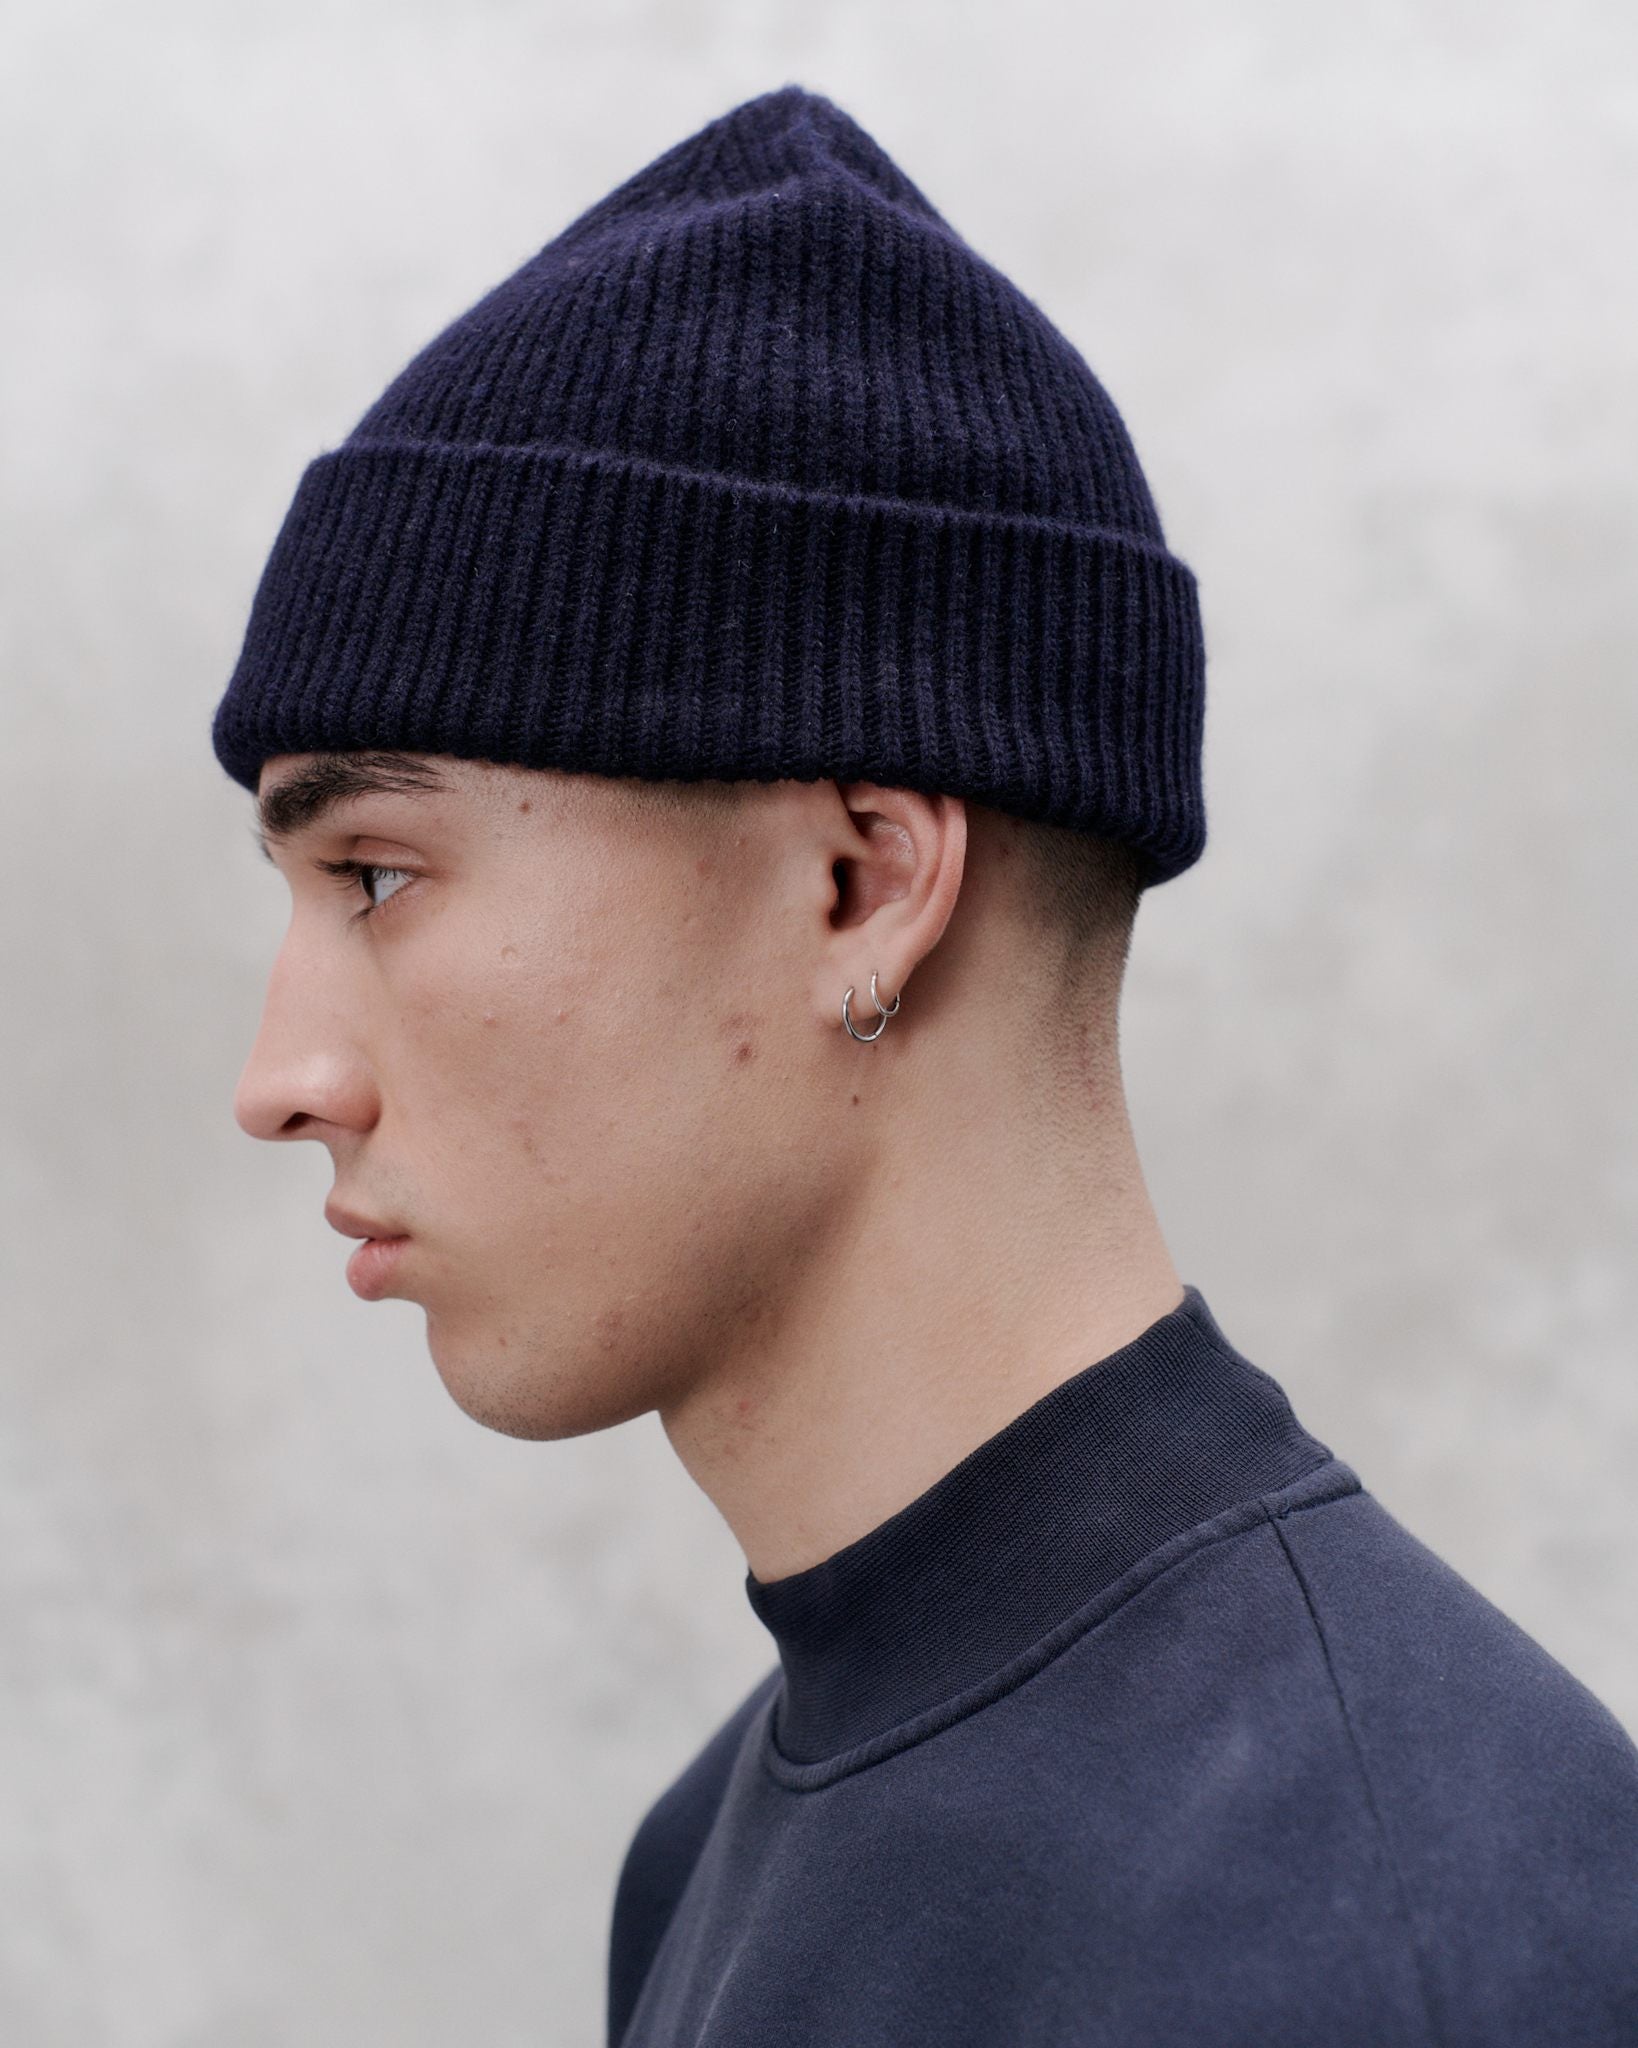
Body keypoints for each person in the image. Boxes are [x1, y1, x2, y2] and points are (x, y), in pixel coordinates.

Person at [213, 82, 1638, 2048]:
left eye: (376, 874)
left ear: (861, 882)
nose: (280, 1076)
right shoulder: (709, 1846)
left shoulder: (1395, 1921)